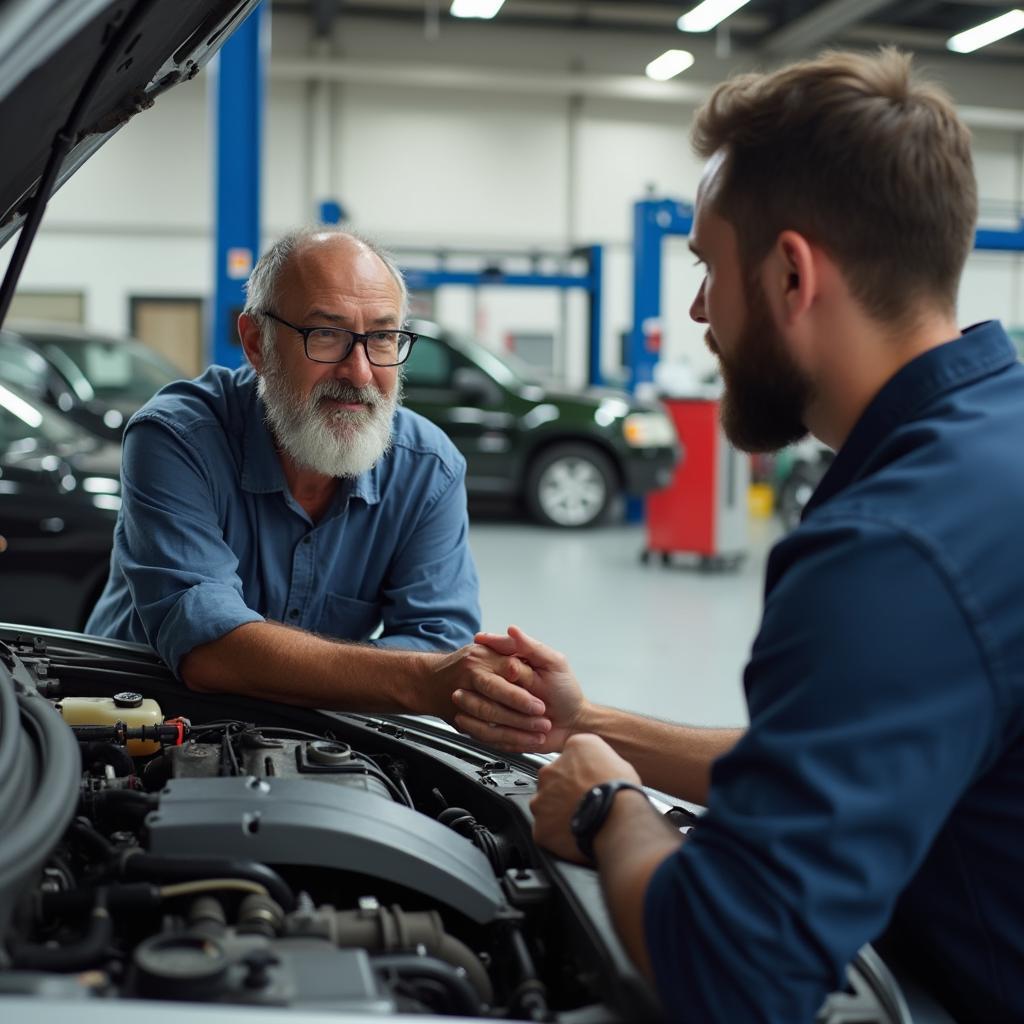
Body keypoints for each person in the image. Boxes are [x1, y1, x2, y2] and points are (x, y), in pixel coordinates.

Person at [450, 49, 1024, 1022]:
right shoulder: (987, 447)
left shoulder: (888, 545)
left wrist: (605, 809)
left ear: (791, 274)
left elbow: (729, 975)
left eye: (708, 265)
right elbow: (831, 759)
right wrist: (583, 726)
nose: (698, 310)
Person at [86, 228, 542, 722]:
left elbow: (438, 641)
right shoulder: (178, 437)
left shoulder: (427, 469)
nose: (360, 372)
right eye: (327, 334)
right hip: (136, 723)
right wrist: (409, 678)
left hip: (315, 739)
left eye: (383, 338)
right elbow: (209, 649)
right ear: (257, 343)